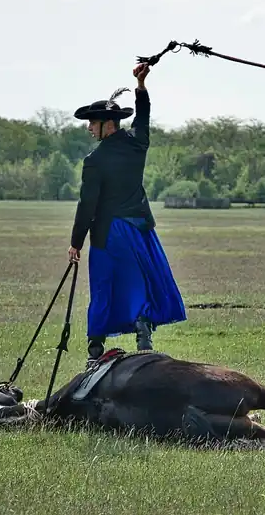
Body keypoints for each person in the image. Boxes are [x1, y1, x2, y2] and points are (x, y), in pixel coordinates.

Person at [68, 62, 187, 370]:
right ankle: (143, 336)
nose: (89, 128)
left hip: (110, 232)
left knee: (105, 286)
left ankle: (95, 346)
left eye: (93, 122)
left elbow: (87, 204)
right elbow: (144, 118)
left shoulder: (94, 160)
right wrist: (142, 86)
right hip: (141, 230)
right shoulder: (137, 144)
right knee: (140, 283)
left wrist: (76, 242)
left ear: (108, 123)